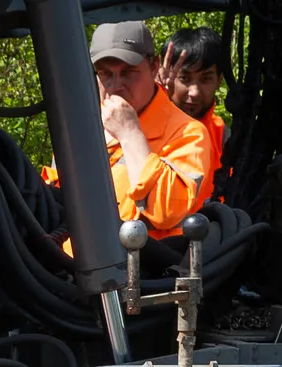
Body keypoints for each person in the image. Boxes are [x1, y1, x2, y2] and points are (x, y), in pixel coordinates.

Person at [43, 21, 216, 240]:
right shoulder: (79, 128)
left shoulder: (188, 132)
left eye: (128, 72)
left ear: (154, 67)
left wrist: (129, 133)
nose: (116, 85)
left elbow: (165, 212)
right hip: (66, 268)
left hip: (144, 271)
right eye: (105, 73)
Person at [159, 26, 226, 171]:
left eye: (206, 78)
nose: (194, 92)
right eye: (184, 78)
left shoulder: (223, 135)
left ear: (219, 81)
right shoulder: (141, 126)